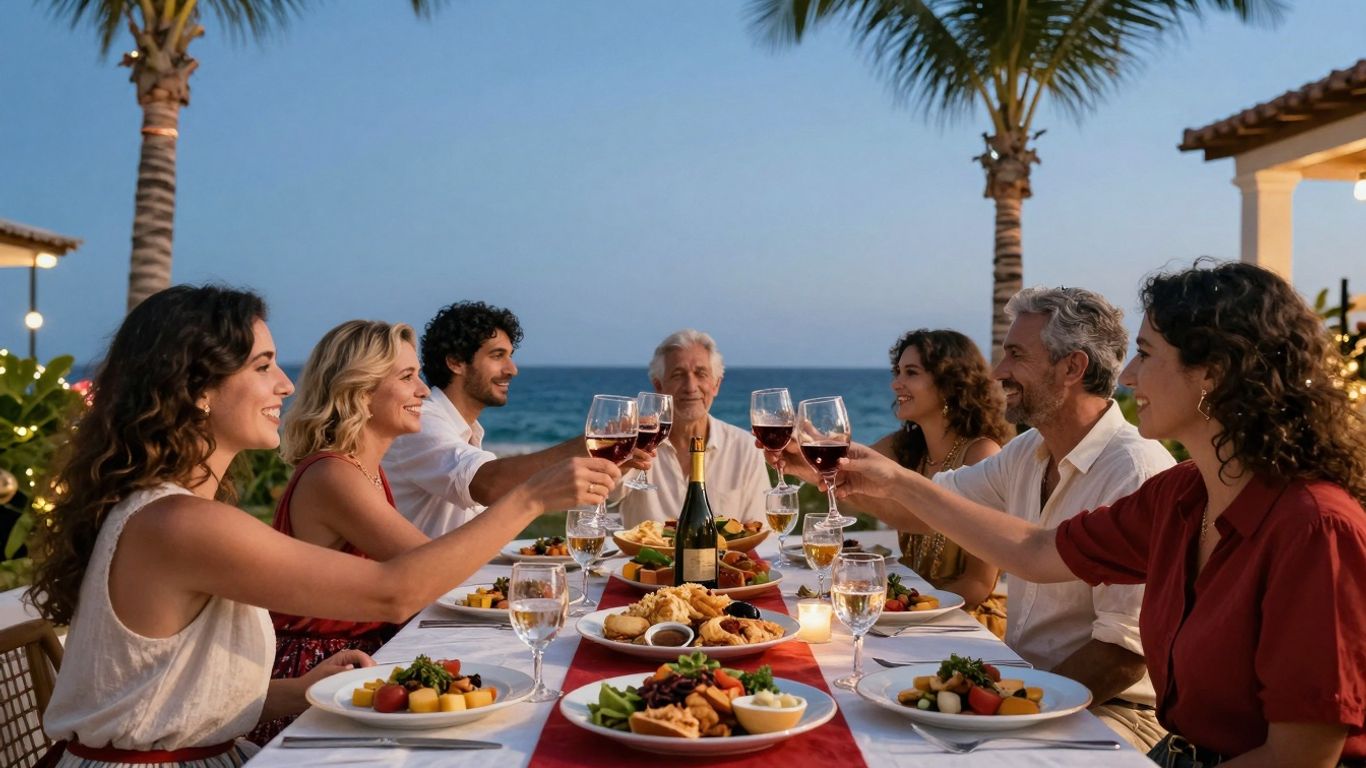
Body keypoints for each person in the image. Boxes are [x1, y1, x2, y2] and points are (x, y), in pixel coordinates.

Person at [29, 286, 618, 766]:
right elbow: (395, 591)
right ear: (198, 390)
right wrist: (528, 498)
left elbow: (170, 690)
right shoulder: (178, 522)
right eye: (263, 366)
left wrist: (301, 686)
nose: (286, 384)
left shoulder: (169, 512)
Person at [833, 262, 1366, 766]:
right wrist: (891, 478)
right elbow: (1036, 550)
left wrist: (1015, 710)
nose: (1129, 376)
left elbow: (1302, 756)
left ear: (1212, 373)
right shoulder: (1181, 496)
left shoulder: (1314, 527)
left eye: (1146, 354)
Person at [778, 287, 1174, 751]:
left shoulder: (1135, 469)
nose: (1000, 371)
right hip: (1026, 683)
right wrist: (822, 472)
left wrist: (1007, 711)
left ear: (1073, 367)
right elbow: (930, 510)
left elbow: (1124, 655)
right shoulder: (1028, 450)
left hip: (1111, 711)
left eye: (1015, 355)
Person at [247, 320, 434, 744]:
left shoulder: (364, 470)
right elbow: (432, 571)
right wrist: (527, 501)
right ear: (359, 392)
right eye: (408, 377)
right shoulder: (333, 474)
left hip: (357, 661)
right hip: (318, 672)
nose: (423, 391)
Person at [384, 301, 648, 537]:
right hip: (426, 589)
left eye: (510, 356)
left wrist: (603, 466)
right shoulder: (422, 421)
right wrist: (591, 446)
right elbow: (489, 484)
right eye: (498, 356)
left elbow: (504, 495)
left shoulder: (466, 431)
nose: (512, 370)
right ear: (456, 362)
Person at [869, 329, 1013, 636]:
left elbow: (979, 583)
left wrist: (912, 617)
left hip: (963, 621)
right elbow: (845, 466)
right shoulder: (907, 448)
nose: (897, 383)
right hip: (908, 612)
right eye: (898, 372)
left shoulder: (981, 453)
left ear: (949, 384)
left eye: (911, 373)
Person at [612, 329, 770, 529]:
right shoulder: (637, 444)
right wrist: (616, 455)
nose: (690, 386)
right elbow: (602, 497)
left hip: (720, 560)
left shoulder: (746, 448)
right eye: (678, 375)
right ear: (659, 386)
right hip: (645, 561)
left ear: (716, 385)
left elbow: (758, 530)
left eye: (700, 374)